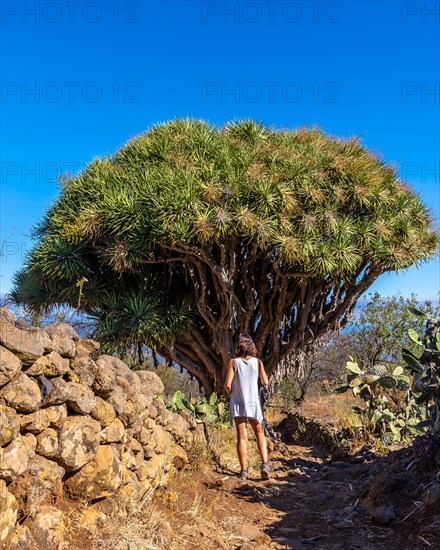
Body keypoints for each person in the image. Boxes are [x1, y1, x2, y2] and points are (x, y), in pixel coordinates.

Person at [224, 333, 270, 480]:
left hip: (238, 403)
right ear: (251, 346)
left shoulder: (233, 362)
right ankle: (265, 465)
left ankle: (244, 471)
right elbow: (265, 381)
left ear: (238, 347)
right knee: (259, 433)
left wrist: (233, 394)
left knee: (242, 437)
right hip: (253, 403)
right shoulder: (258, 362)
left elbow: (227, 384)